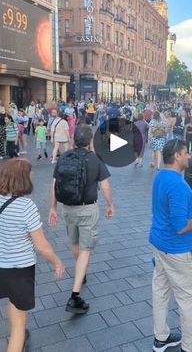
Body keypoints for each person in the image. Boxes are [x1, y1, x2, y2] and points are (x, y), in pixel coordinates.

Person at [150, 139, 192, 352]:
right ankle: (191, 347)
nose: (189, 157)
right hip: (177, 250)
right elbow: (180, 226)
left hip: (159, 244)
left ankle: (161, 337)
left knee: (160, 290)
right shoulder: (177, 184)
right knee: (188, 299)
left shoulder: (161, 176)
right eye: (186, 153)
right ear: (176, 155)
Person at [48, 124, 114, 313]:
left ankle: (80, 272)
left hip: (67, 208)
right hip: (87, 209)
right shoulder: (95, 160)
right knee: (86, 250)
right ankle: (75, 296)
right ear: (89, 141)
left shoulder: (64, 157)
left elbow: (54, 185)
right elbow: (106, 186)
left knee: (75, 243)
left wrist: (52, 208)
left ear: (74, 139)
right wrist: (110, 205)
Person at [0, 158, 64, 352]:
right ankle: (15, 341)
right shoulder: (27, 207)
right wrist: (57, 262)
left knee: (13, 303)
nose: (32, 176)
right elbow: (41, 245)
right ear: (22, 179)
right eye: (29, 174)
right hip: (20, 271)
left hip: (1, 265)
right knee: (20, 324)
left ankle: (13, 337)